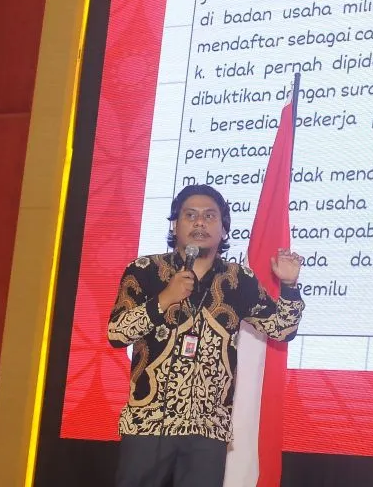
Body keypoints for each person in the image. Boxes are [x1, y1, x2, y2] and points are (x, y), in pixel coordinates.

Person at [108, 183, 305, 487]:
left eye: (210, 216)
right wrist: (164, 299)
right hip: (148, 424)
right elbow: (117, 333)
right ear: (175, 225)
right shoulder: (144, 270)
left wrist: (289, 286)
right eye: (190, 215)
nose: (200, 222)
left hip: (208, 429)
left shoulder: (239, 279)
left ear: (223, 230)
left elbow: (282, 328)